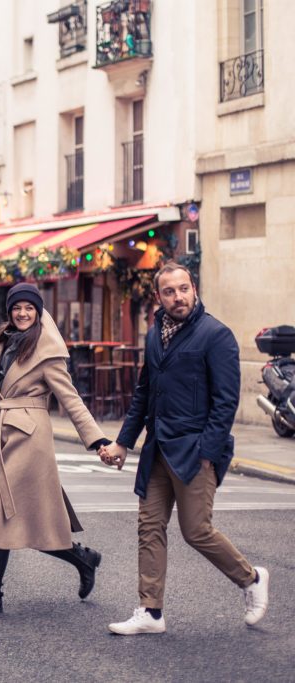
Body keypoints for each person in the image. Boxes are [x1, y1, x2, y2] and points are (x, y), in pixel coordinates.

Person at [101, 262, 269, 635]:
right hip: (158, 448)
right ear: (158, 296)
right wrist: (124, 442)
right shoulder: (154, 335)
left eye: (184, 289)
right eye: (169, 291)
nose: (178, 297)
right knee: (149, 527)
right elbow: (144, 393)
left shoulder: (216, 335)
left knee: (196, 530)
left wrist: (208, 451)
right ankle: (151, 611)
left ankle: (252, 578)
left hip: (194, 450)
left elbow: (226, 402)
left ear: (194, 289)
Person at [0, 282, 110, 618]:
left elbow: (70, 398)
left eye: (29, 308)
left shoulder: (46, 349)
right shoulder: (8, 342)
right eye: (17, 308)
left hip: (29, 438)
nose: (23, 313)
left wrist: (97, 439)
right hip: (5, 433)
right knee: (38, 517)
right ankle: (84, 558)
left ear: (39, 312)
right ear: (10, 312)